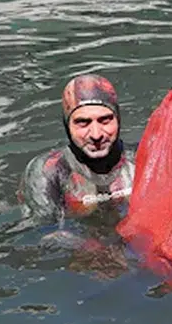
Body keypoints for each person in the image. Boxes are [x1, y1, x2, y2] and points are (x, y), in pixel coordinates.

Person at [20, 74, 136, 224]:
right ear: (67, 126)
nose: (96, 134)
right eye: (83, 122)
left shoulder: (144, 159)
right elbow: (43, 235)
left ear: (118, 120)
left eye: (105, 120)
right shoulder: (48, 172)